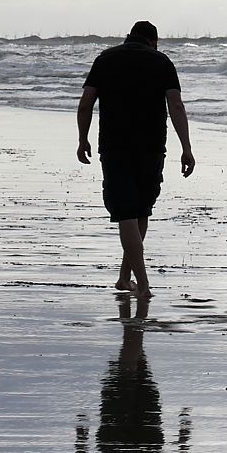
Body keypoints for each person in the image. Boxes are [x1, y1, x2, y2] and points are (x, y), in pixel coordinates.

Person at [77, 20, 195, 299]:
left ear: (128, 36)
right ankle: (142, 284)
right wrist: (186, 147)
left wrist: (83, 139)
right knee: (140, 210)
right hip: (152, 146)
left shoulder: (105, 59)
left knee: (127, 212)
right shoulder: (162, 61)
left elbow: (85, 104)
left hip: (114, 146)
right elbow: (176, 105)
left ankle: (124, 278)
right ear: (154, 41)